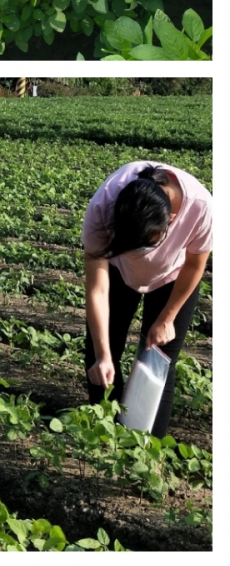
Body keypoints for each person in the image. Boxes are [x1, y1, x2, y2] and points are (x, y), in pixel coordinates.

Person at [83, 162, 212, 436]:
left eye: (146, 245)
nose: (140, 253)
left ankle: (147, 446)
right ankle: (105, 437)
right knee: (101, 352)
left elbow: (194, 265)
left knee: (160, 358)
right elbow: (97, 289)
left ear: (171, 220)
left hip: (173, 275)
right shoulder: (102, 207)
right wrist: (102, 354)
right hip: (118, 273)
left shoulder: (201, 207)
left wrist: (167, 318)